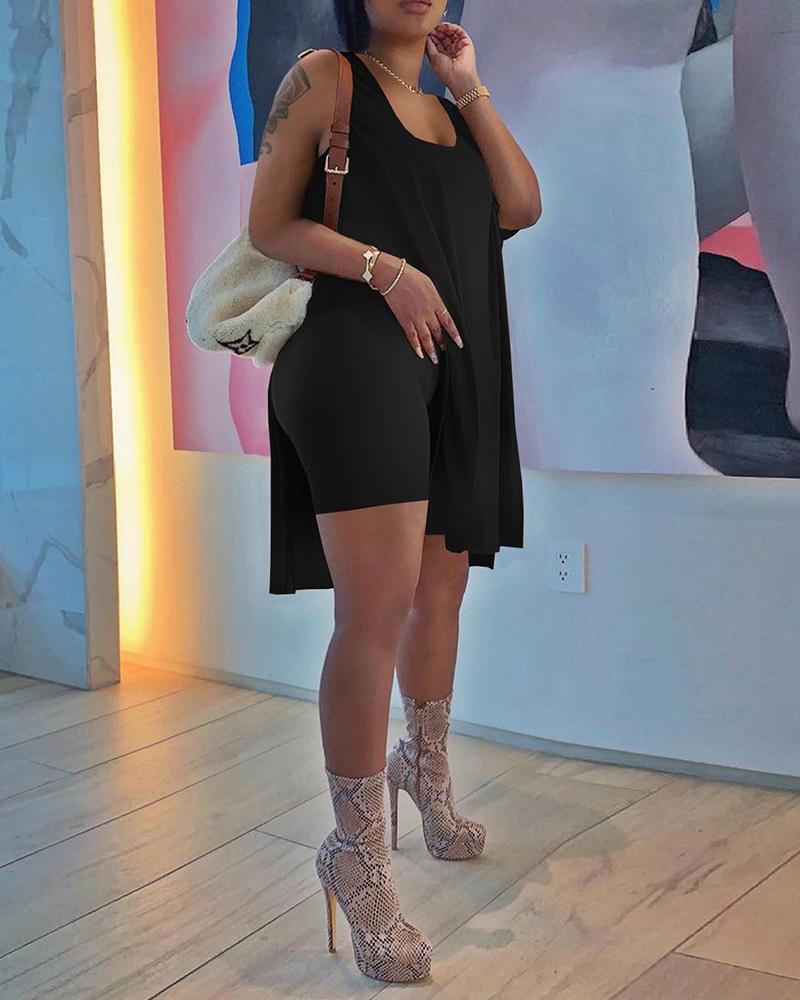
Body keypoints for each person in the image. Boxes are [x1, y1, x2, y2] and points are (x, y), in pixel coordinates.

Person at [247, 0, 540, 983]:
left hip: (452, 362)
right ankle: (358, 861)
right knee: (373, 611)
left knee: (440, 590)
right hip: (352, 351)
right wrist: (385, 269)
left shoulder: (454, 108)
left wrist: (470, 87)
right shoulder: (324, 76)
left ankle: (426, 771)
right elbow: (269, 225)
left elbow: (520, 204)